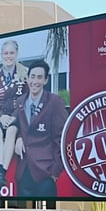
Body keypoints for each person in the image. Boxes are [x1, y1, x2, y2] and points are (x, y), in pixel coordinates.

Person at [13, 60, 68, 197]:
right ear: (27, 78)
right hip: (23, 173)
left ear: (45, 80)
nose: (35, 81)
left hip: (45, 174)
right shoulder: (20, 102)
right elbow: (20, 126)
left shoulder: (55, 102)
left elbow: (62, 139)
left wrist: (55, 172)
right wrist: (19, 137)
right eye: (32, 77)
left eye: (39, 77)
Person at [0, 39, 27, 188]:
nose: (8, 56)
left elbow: (26, 100)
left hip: (17, 117)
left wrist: (13, 117)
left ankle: (2, 173)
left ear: (17, 54)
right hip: (0, 117)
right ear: (1, 55)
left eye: (11, 53)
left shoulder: (24, 74)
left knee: (11, 132)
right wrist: (1, 116)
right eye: (6, 53)